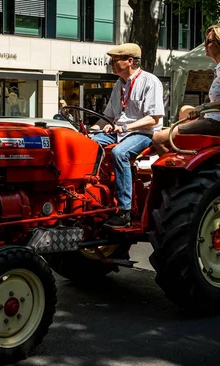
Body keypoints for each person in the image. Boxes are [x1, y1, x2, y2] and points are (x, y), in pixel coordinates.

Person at [90, 43, 165, 228]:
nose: (111, 64)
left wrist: (126, 127)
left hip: (143, 133)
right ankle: (94, 195)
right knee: (88, 144)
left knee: (120, 153)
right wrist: (92, 130)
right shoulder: (119, 84)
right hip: (120, 131)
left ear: (129, 61)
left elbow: (153, 119)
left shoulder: (150, 81)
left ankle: (125, 211)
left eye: (115, 60)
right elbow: (108, 117)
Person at [152, 24, 220, 155]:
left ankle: (176, 171)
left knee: (158, 138)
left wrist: (202, 107)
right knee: (185, 110)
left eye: (208, 41)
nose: (204, 45)